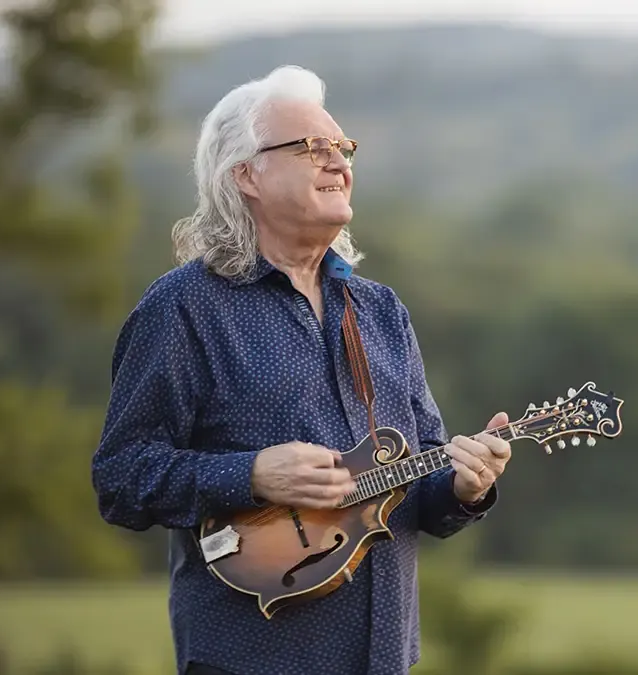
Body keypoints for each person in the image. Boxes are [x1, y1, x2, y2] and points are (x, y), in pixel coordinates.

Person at [90, 65, 511, 675]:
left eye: (344, 148)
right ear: (246, 174)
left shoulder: (381, 311)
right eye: (314, 147)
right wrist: (251, 474)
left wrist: (466, 488)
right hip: (249, 658)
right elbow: (122, 479)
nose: (339, 162)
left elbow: (414, 483)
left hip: (385, 656)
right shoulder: (184, 308)